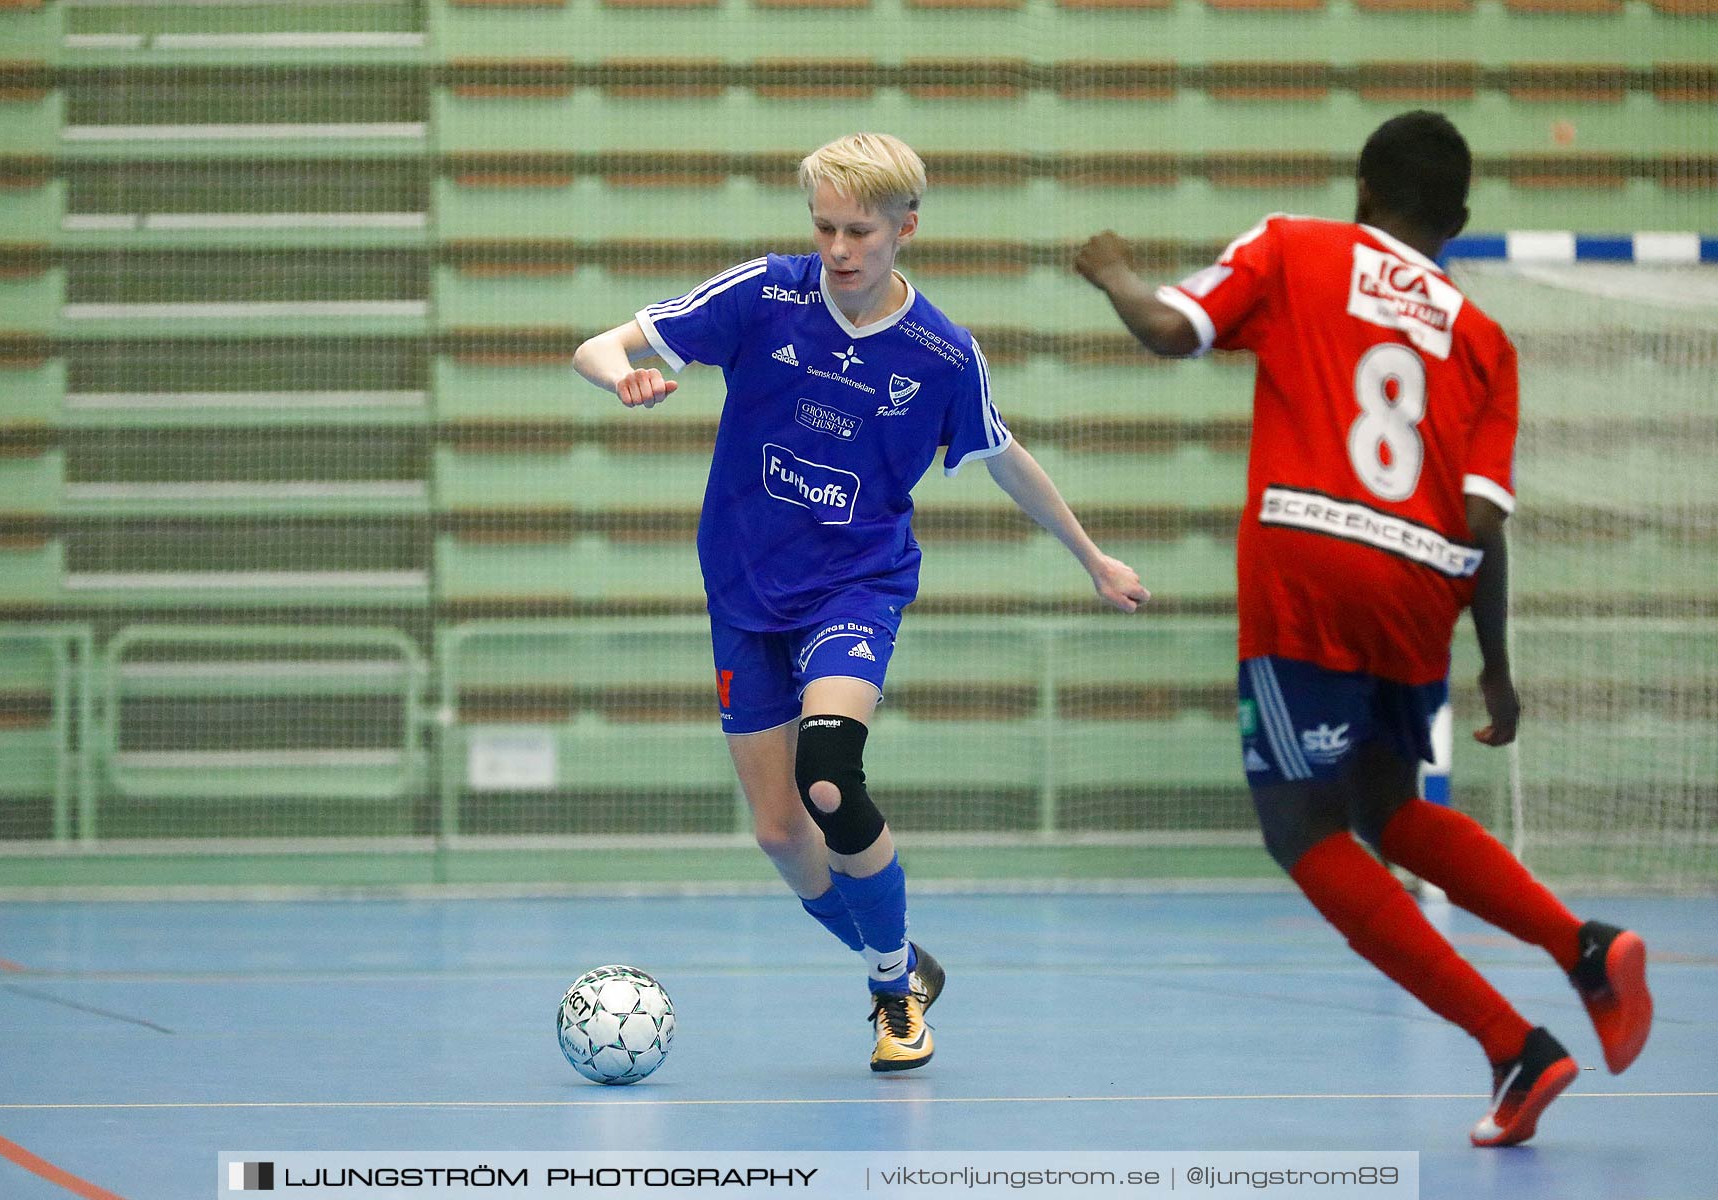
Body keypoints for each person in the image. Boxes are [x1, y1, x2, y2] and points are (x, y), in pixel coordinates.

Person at [1072, 110, 1652, 1145]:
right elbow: (1481, 519)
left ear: (1362, 192)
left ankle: (1515, 1045)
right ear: (1459, 221)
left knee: (1303, 829)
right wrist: (1497, 667)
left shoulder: (1299, 246)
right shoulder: (1484, 339)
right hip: (1426, 591)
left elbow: (1170, 328)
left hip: (1313, 568)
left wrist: (1114, 269)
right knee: (1388, 801)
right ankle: (1586, 948)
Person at [575, 132, 1151, 1073]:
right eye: (825, 227)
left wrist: (1090, 556)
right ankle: (901, 961)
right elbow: (598, 344)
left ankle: (892, 1001)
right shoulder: (765, 294)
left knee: (831, 774)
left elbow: (1003, 455)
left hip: (856, 586)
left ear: (905, 229)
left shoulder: (940, 354)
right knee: (780, 835)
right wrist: (622, 377)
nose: (838, 250)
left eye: (860, 231)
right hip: (743, 589)